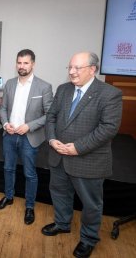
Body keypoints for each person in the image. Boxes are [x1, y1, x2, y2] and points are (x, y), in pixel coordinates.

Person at [41, 52, 122, 258]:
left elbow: (108, 129)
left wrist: (78, 147)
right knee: (59, 193)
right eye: (69, 67)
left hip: (88, 160)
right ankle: (62, 223)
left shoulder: (109, 93)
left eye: (77, 68)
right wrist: (51, 140)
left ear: (92, 69)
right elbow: (51, 117)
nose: (71, 72)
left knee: (91, 204)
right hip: (59, 156)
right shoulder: (63, 89)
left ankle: (88, 239)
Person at [0, 49, 53, 225]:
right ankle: (9, 197)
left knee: (30, 174)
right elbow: (3, 108)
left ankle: (29, 206)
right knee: (8, 169)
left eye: (26, 63)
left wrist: (29, 126)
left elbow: (50, 114)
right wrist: (5, 124)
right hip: (9, 135)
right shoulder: (10, 84)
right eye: (19, 62)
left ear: (33, 64)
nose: (22, 66)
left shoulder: (44, 86)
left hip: (30, 137)